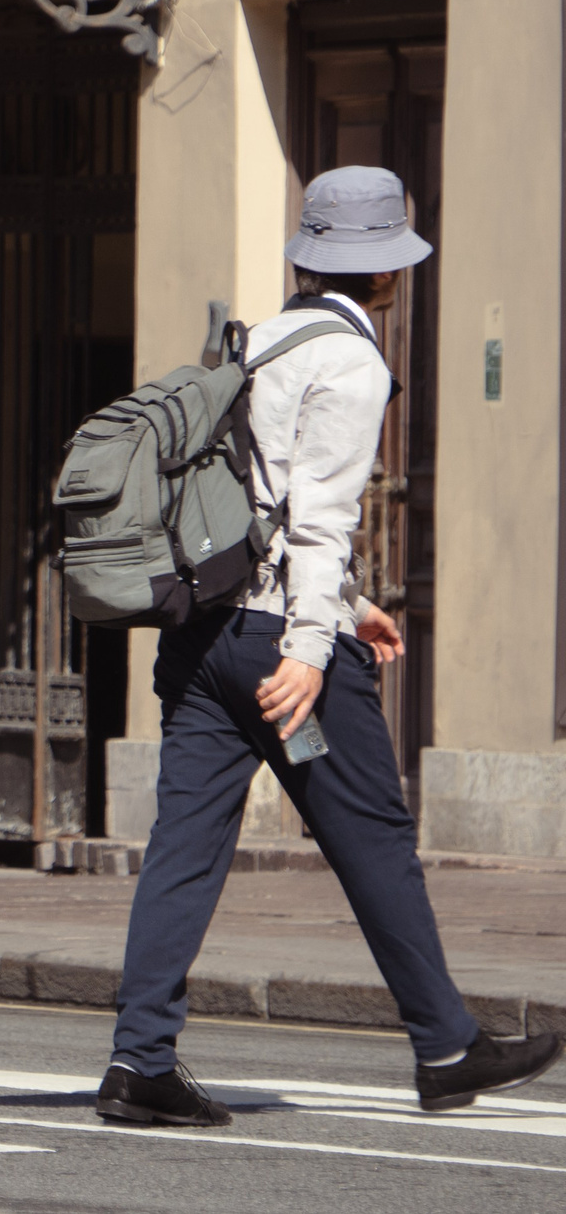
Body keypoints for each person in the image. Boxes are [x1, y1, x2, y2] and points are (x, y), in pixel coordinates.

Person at [98, 166, 562, 1125]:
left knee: (184, 842)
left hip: (205, 640)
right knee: (373, 834)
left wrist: (350, 609)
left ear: (313, 257)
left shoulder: (256, 340)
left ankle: (139, 1060)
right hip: (277, 646)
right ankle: (446, 1048)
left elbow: (248, 499)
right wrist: (315, 643)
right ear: (390, 271)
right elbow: (315, 515)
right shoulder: (350, 360)